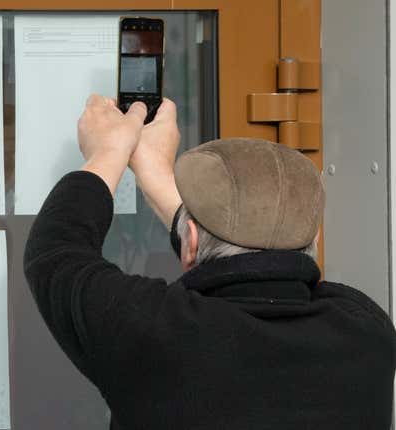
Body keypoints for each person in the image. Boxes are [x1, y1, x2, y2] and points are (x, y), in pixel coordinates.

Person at [23, 94, 396, 429]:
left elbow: (55, 250)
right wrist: (155, 175)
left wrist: (108, 152)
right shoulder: (366, 332)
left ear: (192, 242)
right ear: (314, 238)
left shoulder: (154, 333)